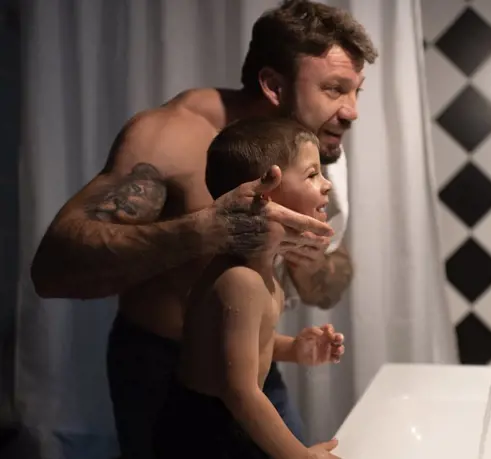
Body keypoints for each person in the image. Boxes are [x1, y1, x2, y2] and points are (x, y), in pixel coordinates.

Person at [29, 0, 378, 457]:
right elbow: (52, 268)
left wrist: (304, 257)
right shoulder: (175, 135)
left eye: (357, 91)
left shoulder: (312, 148)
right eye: (335, 90)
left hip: (256, 355)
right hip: (164, 371)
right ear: (274, 85)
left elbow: (324, 290)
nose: (351, 111)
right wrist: (206, 230)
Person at [154, 117, 344, 459]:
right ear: (266, 194)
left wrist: (294, 349)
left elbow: (243, 348)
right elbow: (239, 391)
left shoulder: (263, 271)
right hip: (203, 431)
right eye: (312, 174)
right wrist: (300, 456)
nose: (326, 185)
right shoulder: (240, 280)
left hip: (226, 417)